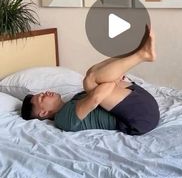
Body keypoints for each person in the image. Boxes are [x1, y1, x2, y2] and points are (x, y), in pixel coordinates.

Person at [21, 29, 160, 135]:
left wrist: (111, 80)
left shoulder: (74, 99)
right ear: (43, 113)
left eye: (41, 93)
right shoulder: (62, 119)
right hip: (140, 118)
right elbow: (96, 98)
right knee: (90, 81)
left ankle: (136, 51)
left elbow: (105, 90)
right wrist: (112, 81)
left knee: (90, 74)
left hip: (142, 103)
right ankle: (142, 54)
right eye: (41, 98)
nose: (45, 93)